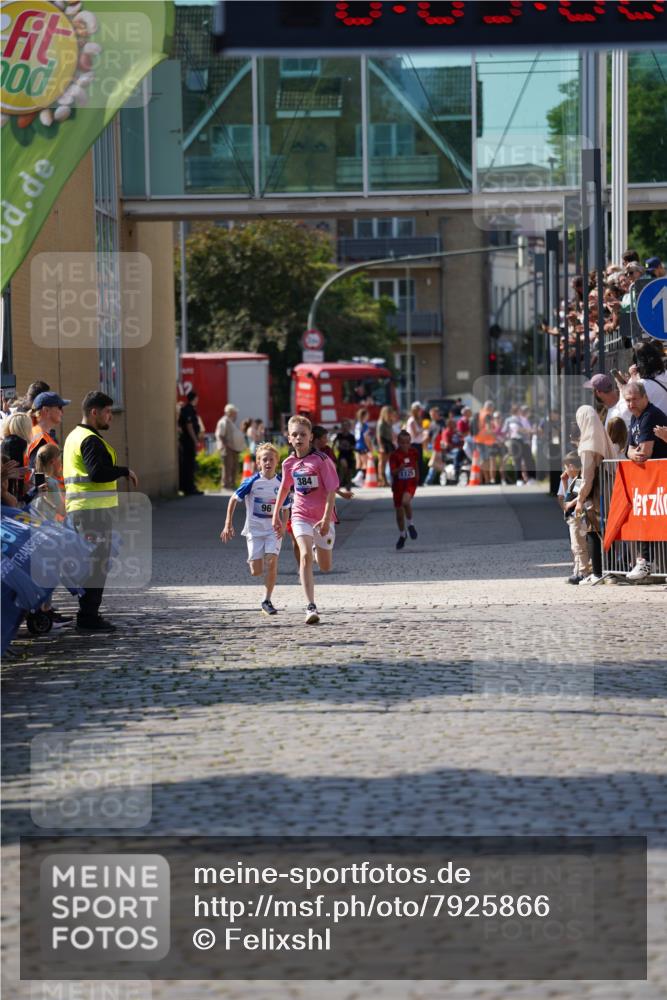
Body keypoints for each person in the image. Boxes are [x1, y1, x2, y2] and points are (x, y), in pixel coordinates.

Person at [63, 391, 138, 633]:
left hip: (85, 511)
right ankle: (88, 618)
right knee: (96, 565)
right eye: (107, 412)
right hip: (91, 513)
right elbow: (97, 473)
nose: (111, 417)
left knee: (93, 564)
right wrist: (123, 471)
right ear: (93, 412)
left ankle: (88, 615)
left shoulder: (75, 436)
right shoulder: (89, 440)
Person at [272, 415, 339, 625]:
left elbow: (331, 491)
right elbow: (284, 488)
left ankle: (320, 551)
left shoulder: (321, 460)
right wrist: (275, 515)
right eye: (294, 434)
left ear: (311, 437)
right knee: (305, 556)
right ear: (289, 438)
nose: (299, 438)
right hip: (300, 514)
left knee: (326, 566)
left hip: (323, 518)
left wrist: (327, 519)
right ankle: (311, 606)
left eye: (303, 434)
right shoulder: (288, 463)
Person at [220, 443, 291, 616]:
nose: (268, 462)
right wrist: (228, 523)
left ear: (277, 461)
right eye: (264, 459)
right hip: (254, 531)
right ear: (258, 462)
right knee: (256, 571)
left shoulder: (282, 482)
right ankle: (254, 560)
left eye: (271, 459)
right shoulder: (251, 482)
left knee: (272, 561)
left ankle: (267, 600)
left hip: (273, 530)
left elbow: (286, 507)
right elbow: (233, 500)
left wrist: (284, 524)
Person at [623, 380, 667, 581]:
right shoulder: (635, 418)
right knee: (644, 518)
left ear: (645, 397)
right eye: (627, 400)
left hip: (660, 479)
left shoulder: (650, 415)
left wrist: (633, 452)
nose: (630, 404)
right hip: (649, 481)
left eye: (634, 400)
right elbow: (630, 449)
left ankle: (650, 564)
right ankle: (645, 562)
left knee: (659, 522)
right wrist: (631, 452)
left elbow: (645, 452)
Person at [573, 404, 615, 586]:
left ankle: (597, 572)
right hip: (608, 487)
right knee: (607, 530)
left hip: (595, 493)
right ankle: (611, 570)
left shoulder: (588, 443)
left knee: (592, 529)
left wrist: (579, 500)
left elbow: (587, 476)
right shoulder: (602, 436)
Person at [558, 451, 591, 585]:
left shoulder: (580, 479)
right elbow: (568, 495)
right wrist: (564, 481)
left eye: (566, 468)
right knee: (575, 546)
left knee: (579, 545)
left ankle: (583, 572)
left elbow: (579, 495)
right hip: (572, 517)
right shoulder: (575, 479)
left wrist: (572, 503)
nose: (566, 471)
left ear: (571, 466)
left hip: (577, 517)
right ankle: (577, 570)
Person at [27, 392, 70, 481]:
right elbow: (38, 474)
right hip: (47, 493)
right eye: (59, 407)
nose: (62, 412)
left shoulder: (38, 433)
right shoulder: (40, 438)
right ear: (46, 410)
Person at [389, 429, 420, 550]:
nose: (405, 445)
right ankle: (402, 534)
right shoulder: (394, 455)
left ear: (410, 442)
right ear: (398, 442)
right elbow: (393, 472)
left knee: (406, 502)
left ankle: (411, 525)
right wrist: (399, 469)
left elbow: (416, 465)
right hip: (398, 486)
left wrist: (417, 478)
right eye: (402, 443)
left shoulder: (414, 452)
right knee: (399, 515)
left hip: (410, 483)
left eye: (407, 442)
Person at [178, 391, 203, 496]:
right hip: (188, 441)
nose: (198, 400)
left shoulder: (189, 409)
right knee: (189, 465)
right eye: (197, 398)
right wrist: (195, 440)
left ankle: (189, 487)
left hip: (187, 441)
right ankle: (189, 488)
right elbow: (189, 426)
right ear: (194, 398)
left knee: (189, 464)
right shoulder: (188, 409)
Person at [215, 403, 242, 490]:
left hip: (233, 448)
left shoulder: (230, 421)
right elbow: (220, 435)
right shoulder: (223, 422)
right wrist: (226, 446)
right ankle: (226, 485)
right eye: (234, 412)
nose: (236, 414)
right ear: (230, 412)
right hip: (227, 448)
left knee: (233, 466)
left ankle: (231, 484)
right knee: (227, 466)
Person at [406, 401, 427, 484]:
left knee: (419, 462)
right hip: (413, 444)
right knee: (414, 463)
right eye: (418, 409)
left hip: (418, 443)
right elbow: (415, 434)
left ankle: (419, 480)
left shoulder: (418, 420)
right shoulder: (411, 421)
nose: (420, 411)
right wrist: (423, 429)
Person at [375, 405, 395, 487]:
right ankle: (381, 480)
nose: (391, 414)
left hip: (389, 442)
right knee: (382, 463)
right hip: (383, 443)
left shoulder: (389, 422)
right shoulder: (381, 423)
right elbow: (379, 436)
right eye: (389, 412)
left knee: (387, 462)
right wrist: (381, 447)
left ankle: (385, 480)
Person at [353, 407, 372, 487]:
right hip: (363, 445)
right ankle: (358, 478)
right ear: (364, 416)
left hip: (357, 445)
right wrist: (370, 447)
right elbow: (366, 438)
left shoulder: (357, 424)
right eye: (367, 415)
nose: (368, 416)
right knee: (365, 463)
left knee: (358, 463)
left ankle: (358, 479)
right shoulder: (365, 425)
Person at [333, 419, 356, 488]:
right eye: (343, 426)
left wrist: (350, 447)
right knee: (343, 466)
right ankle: (340, 482)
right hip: (342, 454)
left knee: (349, 470)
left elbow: (354, 446)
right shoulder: (339, 435)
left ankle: (348, 482)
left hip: (349, 455)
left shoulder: (351, 437)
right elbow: (334, 444)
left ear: (349, 427)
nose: (345, 427)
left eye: (346, 426)